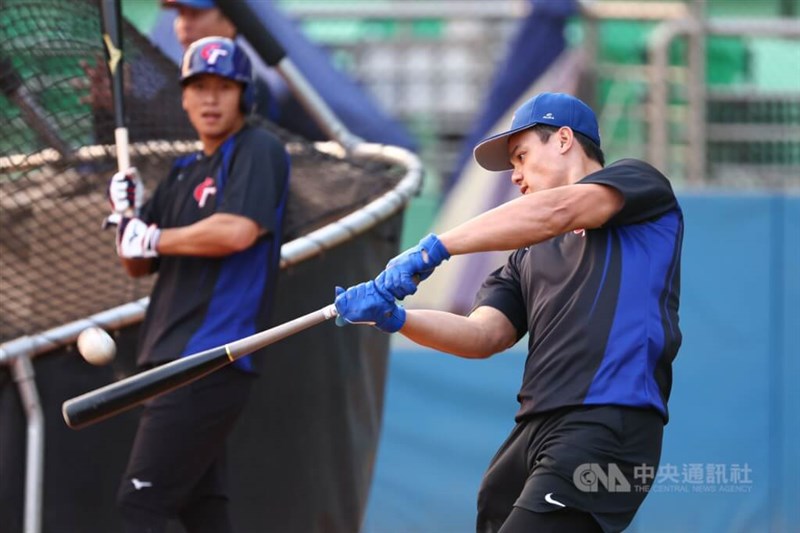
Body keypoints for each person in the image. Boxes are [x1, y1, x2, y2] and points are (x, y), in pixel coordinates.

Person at [334, 92, 684, 533]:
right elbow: (483, 335)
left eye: (520, 156)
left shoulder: (637, 184)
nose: (515, 175)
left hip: (607, 422)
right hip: (536, 430)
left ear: (562, 139)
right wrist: (397, 318)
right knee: (495, 506)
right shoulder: (526, 256)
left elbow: (557, 210)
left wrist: (435, 248)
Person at [108, 36, 290, 532]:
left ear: (243, 96)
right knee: (203, 510)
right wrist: (126, 216)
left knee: (140, 504)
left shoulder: (258, 149)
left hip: (210, 357)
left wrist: (153, 236)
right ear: (184, 96)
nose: (211, 99)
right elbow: (136, 264)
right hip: (168, 356)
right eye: (200, 86)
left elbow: (237, 230)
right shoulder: (183, 170)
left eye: (224, 87)